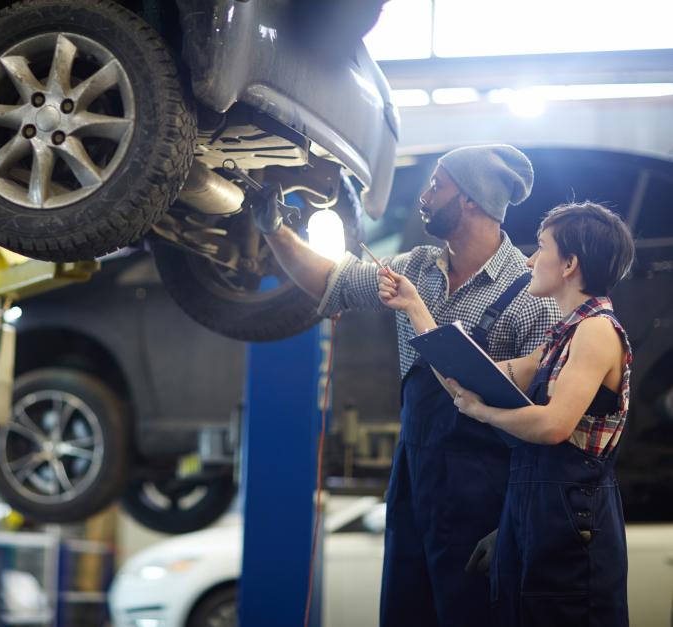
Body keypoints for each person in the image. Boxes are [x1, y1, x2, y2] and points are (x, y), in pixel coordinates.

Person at [254, 144, 561, 626]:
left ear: (472, 202)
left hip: (487, 507)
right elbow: (333, 282)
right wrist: (274, 230)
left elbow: (550, 429)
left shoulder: (530, 295)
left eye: (437, 185)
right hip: (415, 489)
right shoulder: (417, 266)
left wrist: (514, 523)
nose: (425, 195)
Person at [379, 201, 635, 626]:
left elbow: (554, 425)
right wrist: (416, 308)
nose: (531, 260)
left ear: (570, 263)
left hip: (575, 519)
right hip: (541, 512)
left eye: (541, 247)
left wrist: (484, 413)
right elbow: (469, 374)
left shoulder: (596, 331)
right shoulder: (563, 335)